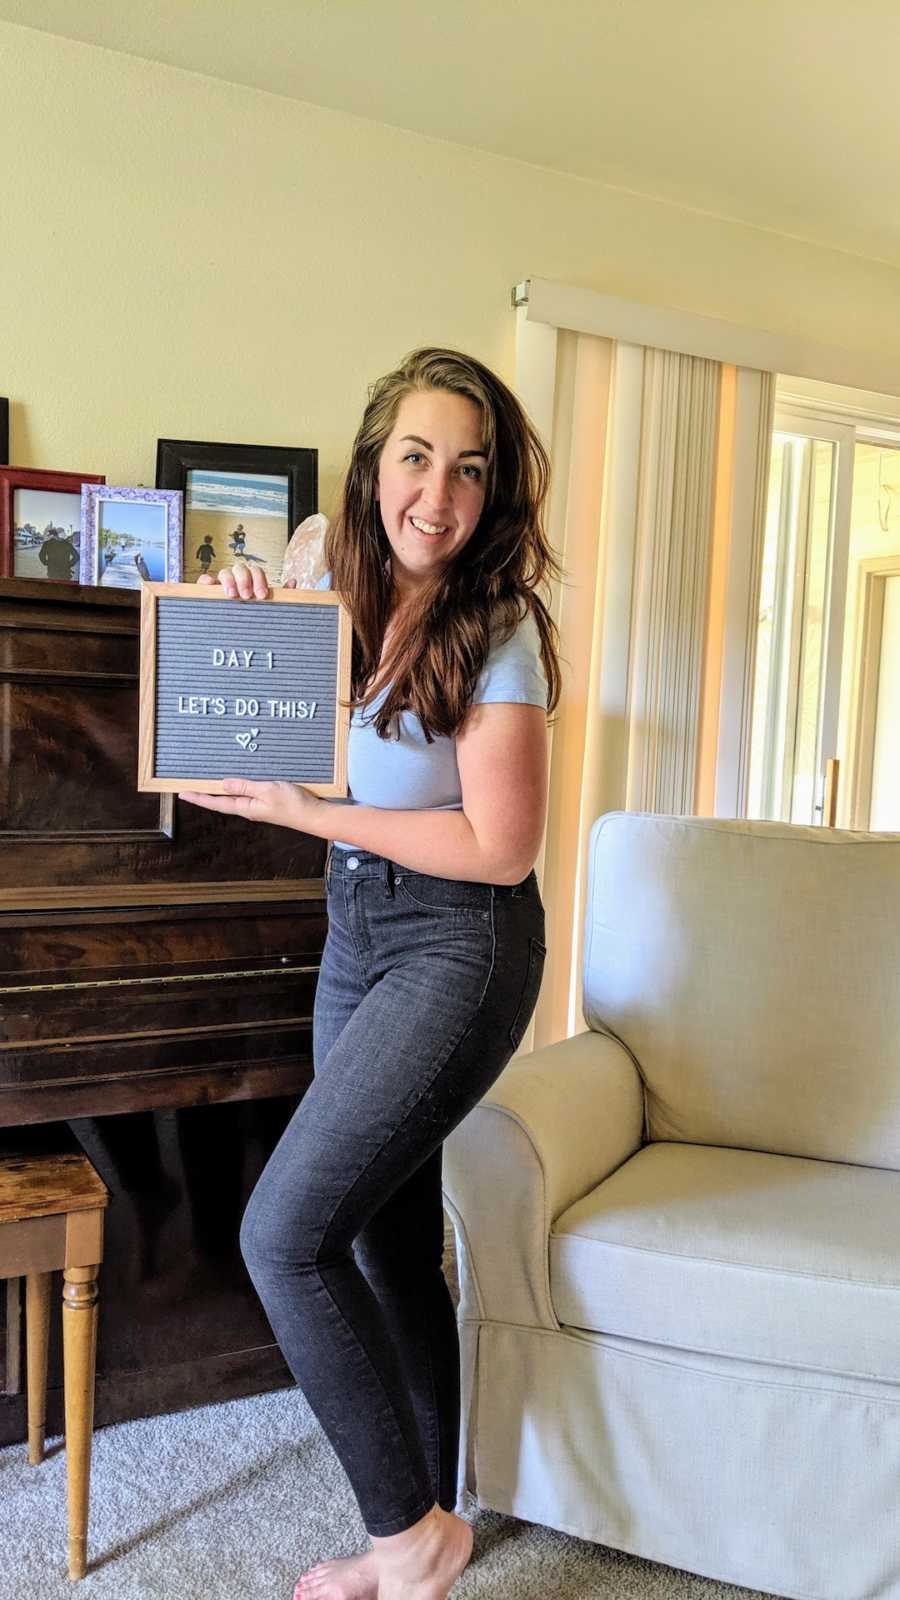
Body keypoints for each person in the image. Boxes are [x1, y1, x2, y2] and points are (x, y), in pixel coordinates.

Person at [178, 347, 561, 1600]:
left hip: (463, 937)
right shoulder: (318, 569)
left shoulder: (499, 626)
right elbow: (233, 681)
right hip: (360, 928)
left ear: (492, 490)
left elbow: (501, 847)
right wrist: (233, 597)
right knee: (387, 1234)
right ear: (372, 464)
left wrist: (311, 814)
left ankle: (407, 1544)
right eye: (415, 457)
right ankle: (439, 1510)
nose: (436, 493)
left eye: (468, 467)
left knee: (285, 1234)